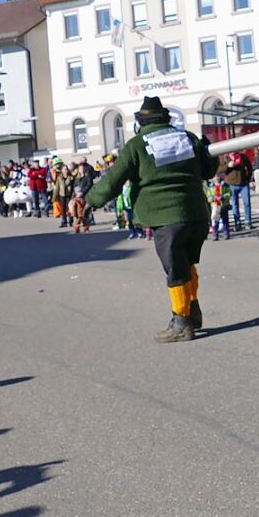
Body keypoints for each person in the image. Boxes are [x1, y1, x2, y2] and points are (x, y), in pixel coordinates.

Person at [85, 96, 219, 343]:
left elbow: (113, 181)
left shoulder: (137, 145)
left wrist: (90, 201)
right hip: (197, 214)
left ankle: (181, 323)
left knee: (176, 270)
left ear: (141, 121)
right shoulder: (187, 138)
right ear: (166, 119)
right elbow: (209, 171)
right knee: (188, 264)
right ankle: (192, 312)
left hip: (165, 216)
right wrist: (210, 152)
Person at [224, 150, 253, 231]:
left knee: (247, 203)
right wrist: (228, 166)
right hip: (232, 184)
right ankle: (237, 223)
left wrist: (248, 179)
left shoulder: (243, 157)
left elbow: (249, 167)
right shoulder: (226, 157)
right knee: (235, 205)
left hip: (243, 183)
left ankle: (248, 221)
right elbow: (221, 170)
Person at [205, 174, 231, 240]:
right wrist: (213, 198)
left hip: (223, 205)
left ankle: (226, 233)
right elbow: (208, 197)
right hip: (215, 206)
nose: (216, 178)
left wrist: (223, 197)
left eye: (217, 177)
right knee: (216, 221)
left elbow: (229, 193)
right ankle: (215, 234)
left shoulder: (224, 185)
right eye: (215, 177)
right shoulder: (210, 187)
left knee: (225, 220)